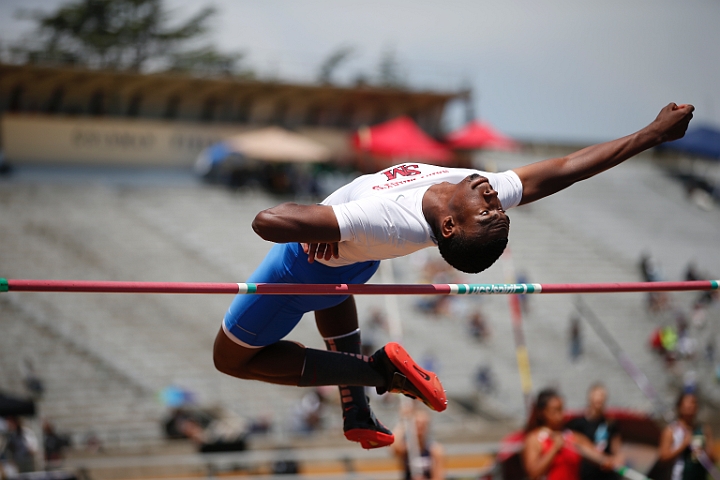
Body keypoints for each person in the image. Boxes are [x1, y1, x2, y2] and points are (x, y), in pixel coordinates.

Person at [213, 103, 694, 449]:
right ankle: (355, 407)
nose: (491, 197)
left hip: (300, 271)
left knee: (230, 360)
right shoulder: (471, 192)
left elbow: (266, 221)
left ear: (449, 227)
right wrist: (651, 133)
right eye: (495, 208)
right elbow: (566, 168)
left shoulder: (386, 218)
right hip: (355, 265)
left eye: (487, 210)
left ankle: (377, 372)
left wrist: (319, 220)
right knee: (338, 292)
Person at [523, 388, 619, 480]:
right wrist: (554, 449)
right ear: (543, 412)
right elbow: (533, 473)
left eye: (561, 409)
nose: (560, 415)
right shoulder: (535, 439)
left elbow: (597, 456)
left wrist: (607, 461)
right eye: (555, 411)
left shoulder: (572, 436)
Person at [566, 383, 623, 480]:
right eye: (597, 396)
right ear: (590, 398)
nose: (599, 399)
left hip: (606, 473)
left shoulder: (610, 423)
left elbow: (617, 450)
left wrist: (616, 461)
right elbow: (577, 446)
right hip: (587, 472)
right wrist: (600, 459)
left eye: (602, 396)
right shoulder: (577, 424)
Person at [657, 391, 716, 480]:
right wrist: (684, 445)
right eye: (688, 402)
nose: (691, 406)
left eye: (694, 402)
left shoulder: (703, 429)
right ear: (680, 406)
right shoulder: (671, 430)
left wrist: (703, 451)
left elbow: (713, 458)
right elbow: (663, 458)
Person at [391, 408, 445, 480]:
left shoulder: (434, 450)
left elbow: (439, 477)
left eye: (423, 424)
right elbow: (394, 446)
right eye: (417, 423)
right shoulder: (407, 449)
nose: (420, 426)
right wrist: (403, 421)